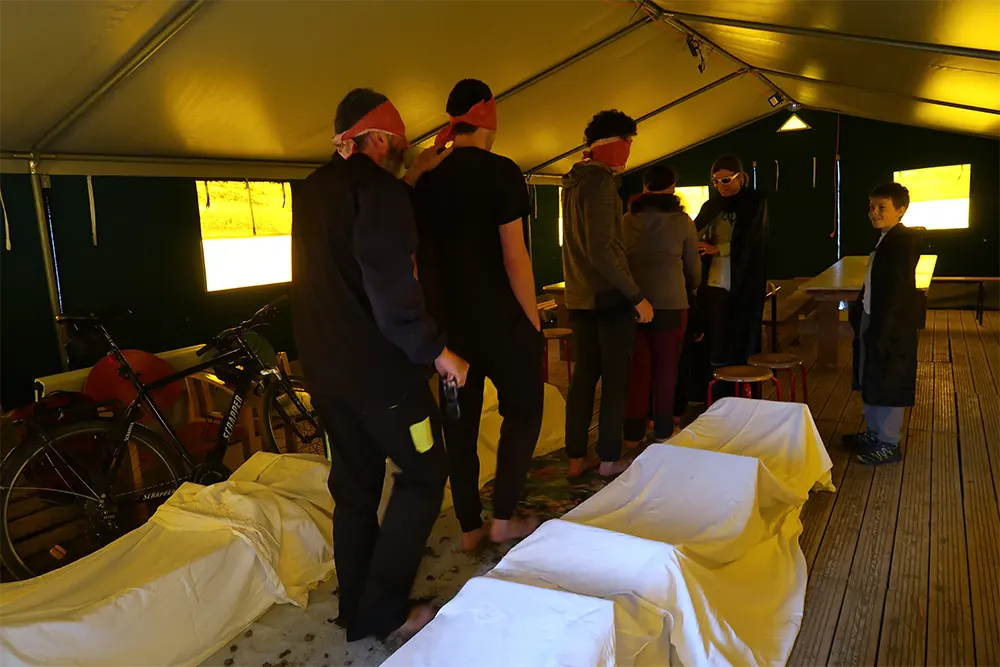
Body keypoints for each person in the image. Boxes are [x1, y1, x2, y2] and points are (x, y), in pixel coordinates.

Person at [291, 88, 469, 643]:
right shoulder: (383, 194)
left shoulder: (315, 191)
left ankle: (355, 608)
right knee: (423, 472)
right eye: (401, 142)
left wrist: (410, 176)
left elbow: (348, 263)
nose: (404, 150)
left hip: (325, 373)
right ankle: (385, 609)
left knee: (356, 487)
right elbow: (392, 293)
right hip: (382, 378)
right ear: (381, 138)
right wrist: (438, 351)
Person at [413, 79, 544, 551]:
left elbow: (412, 258)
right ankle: (504, 515)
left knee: (458, 425)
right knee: (526, 409)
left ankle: (469, 526)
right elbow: (515, 257)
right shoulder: (502, 172)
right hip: (503, 325)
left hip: (448, 334)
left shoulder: (423, 177)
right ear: (488, 117)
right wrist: (532, 323)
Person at [561, 109, 652, 478]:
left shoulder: (572, 180)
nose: (629, 152)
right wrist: (636, 296)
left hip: (579, 297)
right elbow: (603, 249)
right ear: (614, 145)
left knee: (583, 378)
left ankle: (575, 457)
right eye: (628, 143)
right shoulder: (599, 183)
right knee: (615, 378)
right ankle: (610, 457)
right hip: (607, 298)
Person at [621, 165, 701, 447]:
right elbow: (693, 266)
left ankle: (633, 434)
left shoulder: (626, 220)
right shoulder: (682, 221)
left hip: (634, 302)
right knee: (666, 368)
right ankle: (664, 429)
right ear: (672, 188)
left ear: (644, 188)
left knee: (638, 369)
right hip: (671, 302)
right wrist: (691, 286)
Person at [846, 182, 922, 464]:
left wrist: (885, 330)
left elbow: (898, 291)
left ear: (900, 211)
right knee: (871, 373)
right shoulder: (886, 239)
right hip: (873, 317)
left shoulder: (901, 243)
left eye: (882, 208)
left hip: (889, 325)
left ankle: (889, 442)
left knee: (888, 376)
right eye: (871, 207)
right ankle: (875, 432)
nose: (874, 213)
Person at [694, 154, 768, 395]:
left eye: (725, 180)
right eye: (715, 182)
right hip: (715, 283)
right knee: (717, 339)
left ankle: (746, 394)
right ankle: (717, 395)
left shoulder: (755, 203)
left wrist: (720, 249)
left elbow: (751, 241)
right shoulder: (711, 205)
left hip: (744, 282)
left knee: (742, 337)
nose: (720, 186)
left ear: (741, 178)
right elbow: (696, 229)